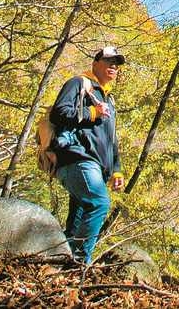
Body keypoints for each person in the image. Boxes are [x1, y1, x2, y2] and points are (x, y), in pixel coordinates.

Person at [50, 45, 125, 263]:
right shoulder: (79, 83)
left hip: (97, 168)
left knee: (77, 220)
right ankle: (80, 263)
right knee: (99, 203)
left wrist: (116, 171)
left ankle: (61, 264)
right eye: (109, 61)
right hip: (77, 158)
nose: (114, 66)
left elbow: (111, 139)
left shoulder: (109, 100)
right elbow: (59, 113)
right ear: (95, 64)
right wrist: (91, 112)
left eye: (117, 64)